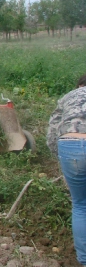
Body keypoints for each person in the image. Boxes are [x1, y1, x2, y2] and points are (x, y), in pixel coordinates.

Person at [47, 74, 86, 267]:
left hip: (69, 145)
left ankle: (84, 259)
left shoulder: (68, 97)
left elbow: (53, 130)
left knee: (80, 205)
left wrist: (59, 156)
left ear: (79, 85)